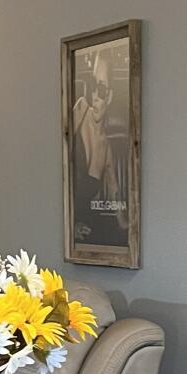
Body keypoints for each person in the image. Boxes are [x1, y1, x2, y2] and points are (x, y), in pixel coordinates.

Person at [71, 50, 125, 245]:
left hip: (87, 227)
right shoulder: (81, 109)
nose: (95, 95)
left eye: (101, 90)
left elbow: (114, 193)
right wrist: (71, 227)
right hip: (70, 226)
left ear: (109, 96)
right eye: (93, 86)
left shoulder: (107, 148)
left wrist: (126, 228)